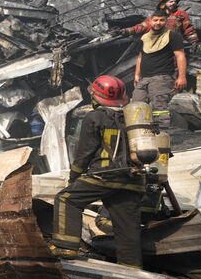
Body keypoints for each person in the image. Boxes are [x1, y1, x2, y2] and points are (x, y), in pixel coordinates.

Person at [50, 76, 145, 268]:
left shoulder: (95, 117)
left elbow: (84, 153)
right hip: (134, 179)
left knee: (67, 198)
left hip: (105, 176)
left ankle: (65, 246)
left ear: (95, 97)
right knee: (127, 226)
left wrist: (74, 177)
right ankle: (132, 268)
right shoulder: (134, 117)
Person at [132, 8, 187, 131]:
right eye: (155, 20)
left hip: (162, 78)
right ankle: (140, 137)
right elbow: (140, 58)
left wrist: (182, 77)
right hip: (144, 78)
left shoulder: (172, 36)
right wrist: (137, 75)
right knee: (137, 106)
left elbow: (180, 56)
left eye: (161, 20)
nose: (158, 23)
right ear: (150, 21)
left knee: (159, 109)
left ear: (166, 22)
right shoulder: (145, 38)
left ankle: (161, 139)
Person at [121, 0, 199, 45]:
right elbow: (141, 27)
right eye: (171, 1)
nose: (173, 3)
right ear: (164, 4)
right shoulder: (157, 16)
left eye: (175, 2)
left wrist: (194, 42)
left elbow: (188, 29)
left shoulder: (181, 14)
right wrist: (124, 31)